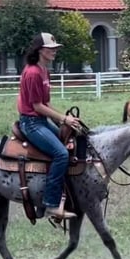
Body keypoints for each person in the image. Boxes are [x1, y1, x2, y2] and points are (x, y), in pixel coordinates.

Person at [17, 32, 82, 220]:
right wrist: (63, 119)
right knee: (61, 154)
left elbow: (45, 104)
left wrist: (65, 121)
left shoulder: (45, 71)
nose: (54, 52)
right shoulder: (32, 73)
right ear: (40, 50)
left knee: (73, 141)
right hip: (30, 123)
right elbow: (36, 106)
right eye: (51, 49)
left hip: (42, 120)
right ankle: (51, 204)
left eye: (55, 49)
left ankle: (66, 195)